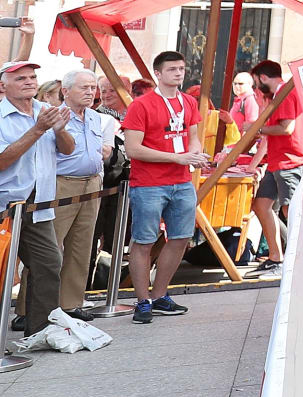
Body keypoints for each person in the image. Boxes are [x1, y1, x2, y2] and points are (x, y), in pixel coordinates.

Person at [120, 51, 211, 325]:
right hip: (149, 183)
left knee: (181, 238)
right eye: (172, 69)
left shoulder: (188, 102)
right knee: (143, 242)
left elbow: (193, 137)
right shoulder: (141, 105)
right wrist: (177, 158)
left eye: (181, 68)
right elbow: (133, 149)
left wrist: (194, 154)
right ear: (158, 74)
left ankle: (159, 296)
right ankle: (142, 301)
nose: (179, 73)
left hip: (181, 181)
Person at [1, 60, 71, 338]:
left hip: (39, 203)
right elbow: (3, 160)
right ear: (3, 85)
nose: (29, 81)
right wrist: (39, 129)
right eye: (20, 78)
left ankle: (40, 331)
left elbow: (68, 149)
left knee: (49, 263)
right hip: (6, 205)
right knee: (3, 271)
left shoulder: (45, 111)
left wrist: (60, 130)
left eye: (32, 77)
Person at [50, 70, 113, 320]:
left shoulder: (96, 117)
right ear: (65, 91)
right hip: (62, 184)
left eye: (92, 88)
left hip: (92, 184)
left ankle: (70, 303)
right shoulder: (54, 116)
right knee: (50, 247)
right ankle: (31, 308)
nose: (90, 92)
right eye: (84, 87)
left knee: (82, 246)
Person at [245, 60, 303, 277]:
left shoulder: (285, 93)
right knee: (261, 205)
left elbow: (286, 128)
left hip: (291, 160)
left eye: (256, 82)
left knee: (289, 210)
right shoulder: (277, 96)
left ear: (263, 77)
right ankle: (276, 257)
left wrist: (256, 128)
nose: (256, 88)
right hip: (278, 161)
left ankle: (297, 260)